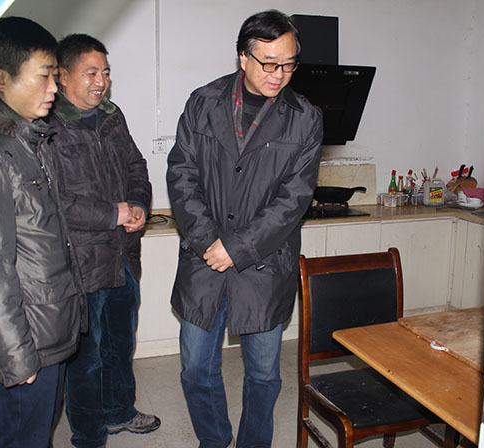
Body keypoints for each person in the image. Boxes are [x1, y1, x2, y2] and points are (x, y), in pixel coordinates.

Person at [166, 9, 323, 448]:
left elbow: (294, 199)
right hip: (204, 260)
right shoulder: (203, 103)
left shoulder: (304, 118)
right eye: (269, 63)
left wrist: (236, 247)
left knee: (264, 374)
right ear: (243, 57)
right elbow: (181, 174)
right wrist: (208, 242)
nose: (279, 74)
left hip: (263, 264)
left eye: (289, 64)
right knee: (196, 368)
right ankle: (214, 440)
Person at [0, 17, 86, 447]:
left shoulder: (26, 138)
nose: (54, 87)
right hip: (25, 342)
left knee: (38, 433)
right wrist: (15, 357)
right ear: (1, 79)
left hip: (45, 328)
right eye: (45, 75)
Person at [48, 34, 158, 448]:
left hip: (122, 255)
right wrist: (112, 213)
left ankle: (119, 412)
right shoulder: (49, 126)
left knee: (120, 344)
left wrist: (139, 204)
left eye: (106, 72)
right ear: (62, 75)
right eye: (91, 72)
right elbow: (54, 199)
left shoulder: (112, 116)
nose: (101, 82)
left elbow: (136, 165)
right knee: (87, 357)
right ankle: (89, 434)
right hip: (82, 263)